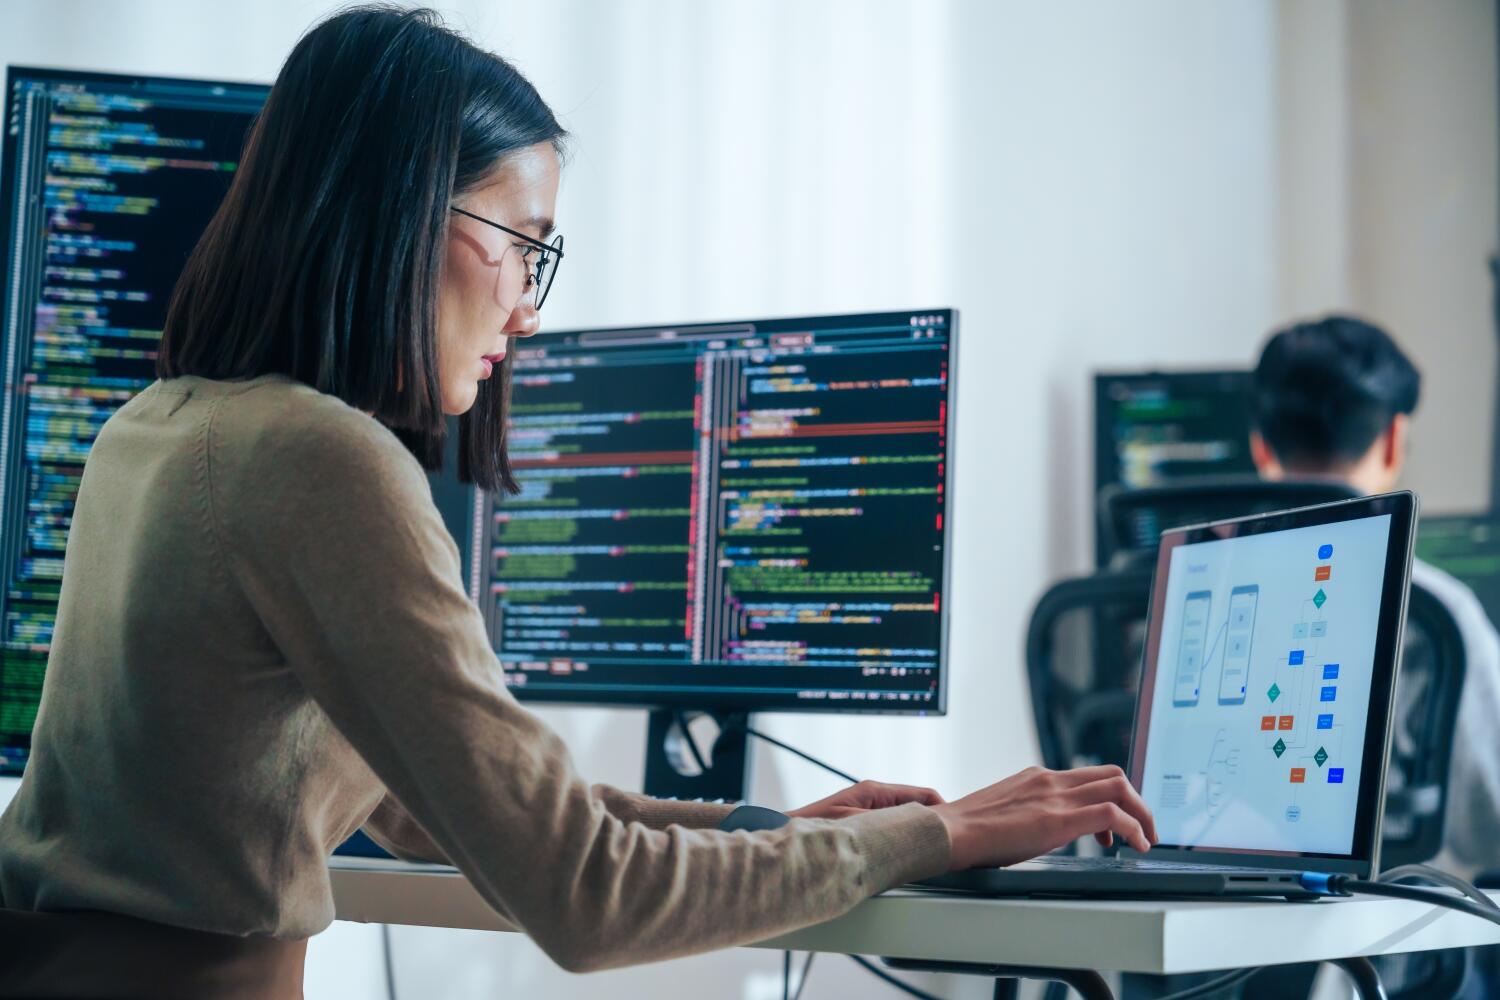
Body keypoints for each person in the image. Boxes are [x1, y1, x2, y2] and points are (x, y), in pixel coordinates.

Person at [0, 7, 1156, 996]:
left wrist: (760, 829)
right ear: (404, 213)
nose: (530, 308)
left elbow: (429, 804)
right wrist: (936, 834)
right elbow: (583, 893)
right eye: (523, 244)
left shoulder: (158, 427)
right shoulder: (320, 458)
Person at [1250, 314, 1500, 878]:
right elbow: (1491, 825)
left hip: (1203, 921)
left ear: (1261, 447)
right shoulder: (1434, 611)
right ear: (1393, 439)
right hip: (1384, 928)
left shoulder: (1188, 596)